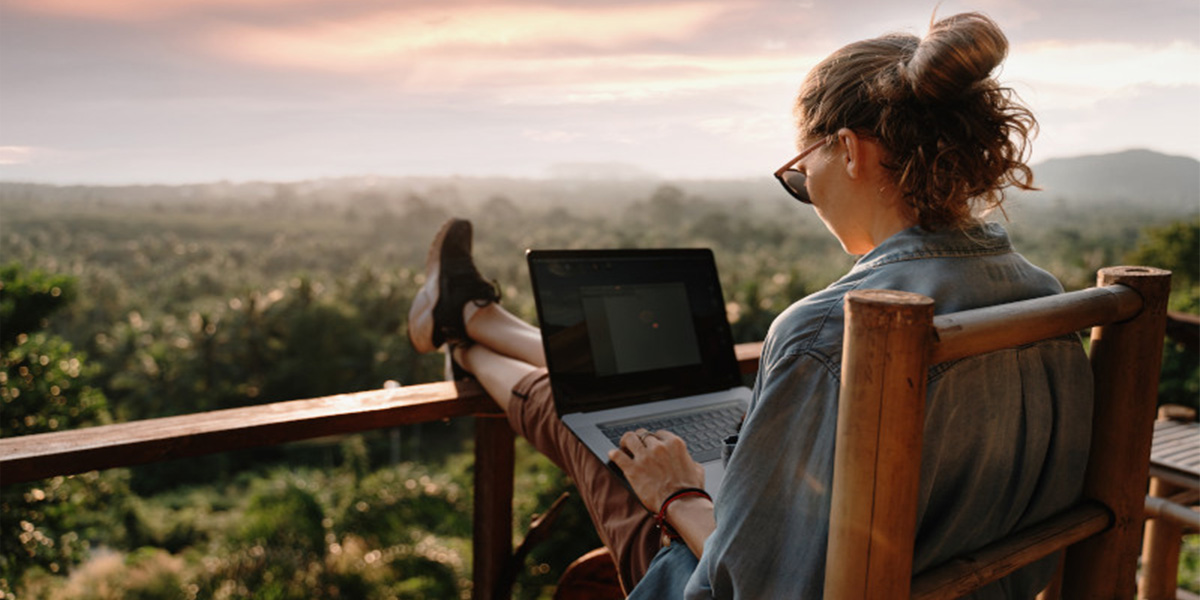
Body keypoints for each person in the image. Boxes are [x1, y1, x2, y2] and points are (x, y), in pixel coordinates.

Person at [407, 12, 1092, 599]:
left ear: (848, 151)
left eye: (801, 172)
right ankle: (471, 321)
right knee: (619, 398)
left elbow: (750, 587)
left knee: (601, 425)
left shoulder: (831, 330)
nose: (807, 190)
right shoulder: (1045, 300)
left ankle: (464, 336)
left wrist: (679, 495)